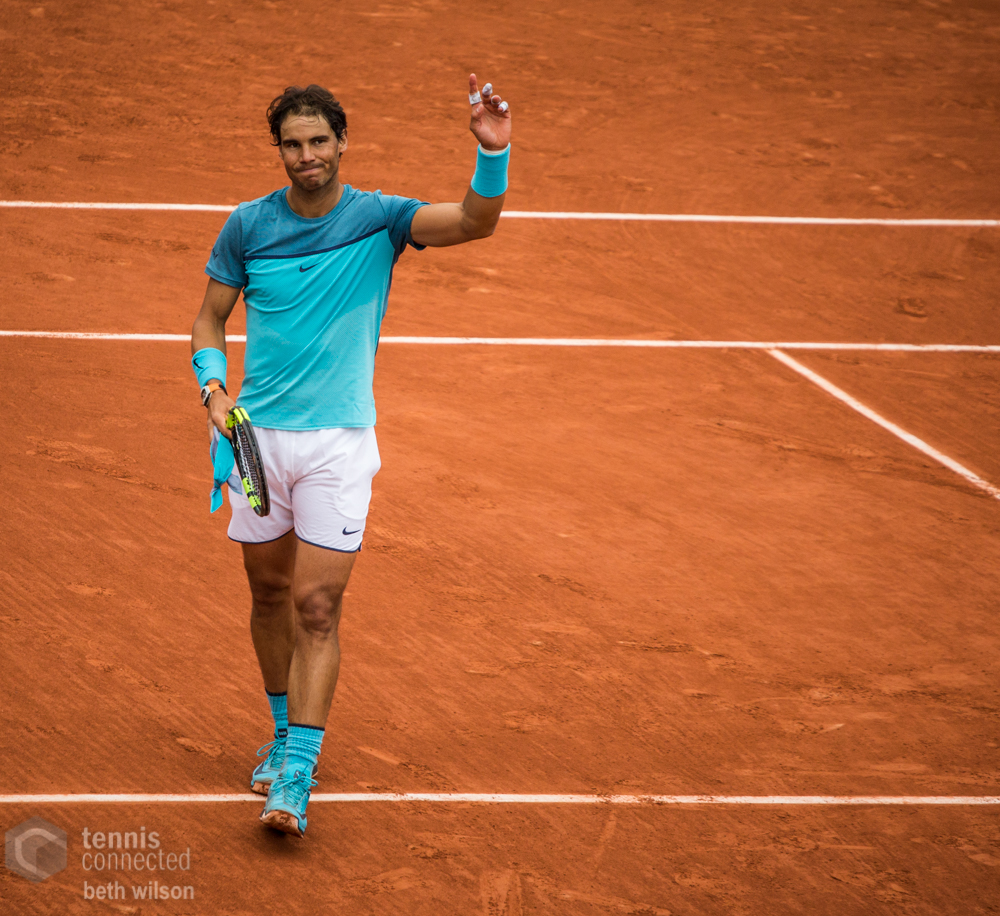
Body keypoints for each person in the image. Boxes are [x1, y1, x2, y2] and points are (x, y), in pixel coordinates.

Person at [189, 75, 511, 837]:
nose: (307, 156)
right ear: (281, 149)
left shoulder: (382, 220)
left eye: (319, 141)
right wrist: (212, 392)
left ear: (342, 143)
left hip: (339, 445)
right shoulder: (246, 226)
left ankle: (298, 771)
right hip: (254, 440)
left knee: (317, 606)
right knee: (268, 596)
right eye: (293, 144)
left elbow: (473, 221)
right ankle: (279, 733)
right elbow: (208, 318)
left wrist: (491, 153)